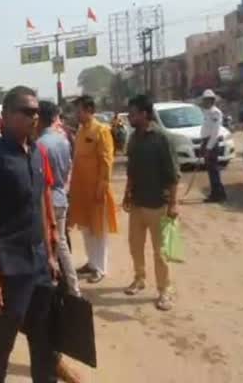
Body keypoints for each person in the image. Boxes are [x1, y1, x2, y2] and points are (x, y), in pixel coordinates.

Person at [0, 86, 59, 383]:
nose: (34, 117)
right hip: (10, 266)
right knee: (3, 341)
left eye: (36, 112)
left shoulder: (36, 152)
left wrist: (49, 253)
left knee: (45, 339)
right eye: (27, 111)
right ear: (8, 115)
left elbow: (39, 203)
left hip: (38, 262)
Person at [123, 95, 180, 312]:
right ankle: (139, 278)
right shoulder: (134, 138)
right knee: (135, 245)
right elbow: (131, 170)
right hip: (137, 203)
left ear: (144, 114)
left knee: (160, 252)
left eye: (133, 113)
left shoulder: (162, 138)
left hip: (159, 204)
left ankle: (164, 291)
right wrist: (127, 194)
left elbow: (173, 174)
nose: (130, 116)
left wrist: (173, 203)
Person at [69, 95, 118, 284]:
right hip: (81, 189)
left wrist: (102, 187)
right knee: (86, 228)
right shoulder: (81, 132)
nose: (76, 114)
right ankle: (91, 263)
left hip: (97, 189)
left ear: (89, 110)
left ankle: (100, 268)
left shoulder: (102, 130)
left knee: (99, 230)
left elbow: (107, 161)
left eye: (79, 110)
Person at [37, 101, 80, 296]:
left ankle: (52, 287)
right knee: (61, 244)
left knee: (48, 246)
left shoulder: (39, 145)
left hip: (46, 201)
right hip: (60, 195)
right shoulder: (63, 140)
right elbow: (67, 169)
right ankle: (72, 287)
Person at [200, 89, 227, 202]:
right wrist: (203, 144)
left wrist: (208, 148)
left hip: (211, 143)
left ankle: (218, 195)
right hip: (206, 142)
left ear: (211, 100)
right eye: (204, 100)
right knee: (211, 170)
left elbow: (215, 133)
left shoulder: (215, 112)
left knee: (214, 170)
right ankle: (217, 193)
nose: (205, 102)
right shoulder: (207, 112)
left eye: (207, 100)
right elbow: (206, 129)